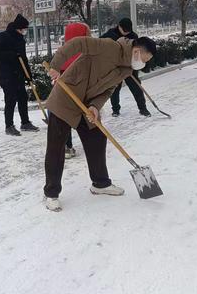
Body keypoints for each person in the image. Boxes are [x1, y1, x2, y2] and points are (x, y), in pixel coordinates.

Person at [43, 35, 156, 211]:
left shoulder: (126, 69)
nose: (144, 64)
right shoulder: (108, 47)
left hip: (86, 105)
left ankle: (100, 183)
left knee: (97, 138)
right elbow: (77, 43)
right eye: (144, 59)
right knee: (56, 147)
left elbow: (109, 89)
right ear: (136, 51)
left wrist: (95, 107)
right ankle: (51, 193)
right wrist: (56, 66)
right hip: (66, 98)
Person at [0, 14, 39, 136]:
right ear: (18, 28)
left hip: (18, 76)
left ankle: (25, 123)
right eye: (24, 29)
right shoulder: (2, 37)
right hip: (6, 76)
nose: (24, 31)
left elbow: (23, 60)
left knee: (23, 98)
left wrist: (29, 77)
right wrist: (13, 54)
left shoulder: (20, 40)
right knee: (10, 100)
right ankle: (9, 126)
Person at [101, 18, 151, 117]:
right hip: (116, 67)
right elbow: (100, 46)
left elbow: (137, 52)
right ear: (119, 26)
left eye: (128, 31)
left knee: (136, 87)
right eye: (124, 30)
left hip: (129, 66)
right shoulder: (110, 35)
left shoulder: (133, 36)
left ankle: (143, 108)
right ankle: (115, 109)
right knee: (114, 88)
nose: (126, 33)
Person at [59, 22, 91, 159]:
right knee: (86, 116)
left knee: (65, 116)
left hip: (63, 90)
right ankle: (92, 145)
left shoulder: (62, 53)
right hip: (81, 89)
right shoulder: (85, 54)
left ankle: (66, 146)